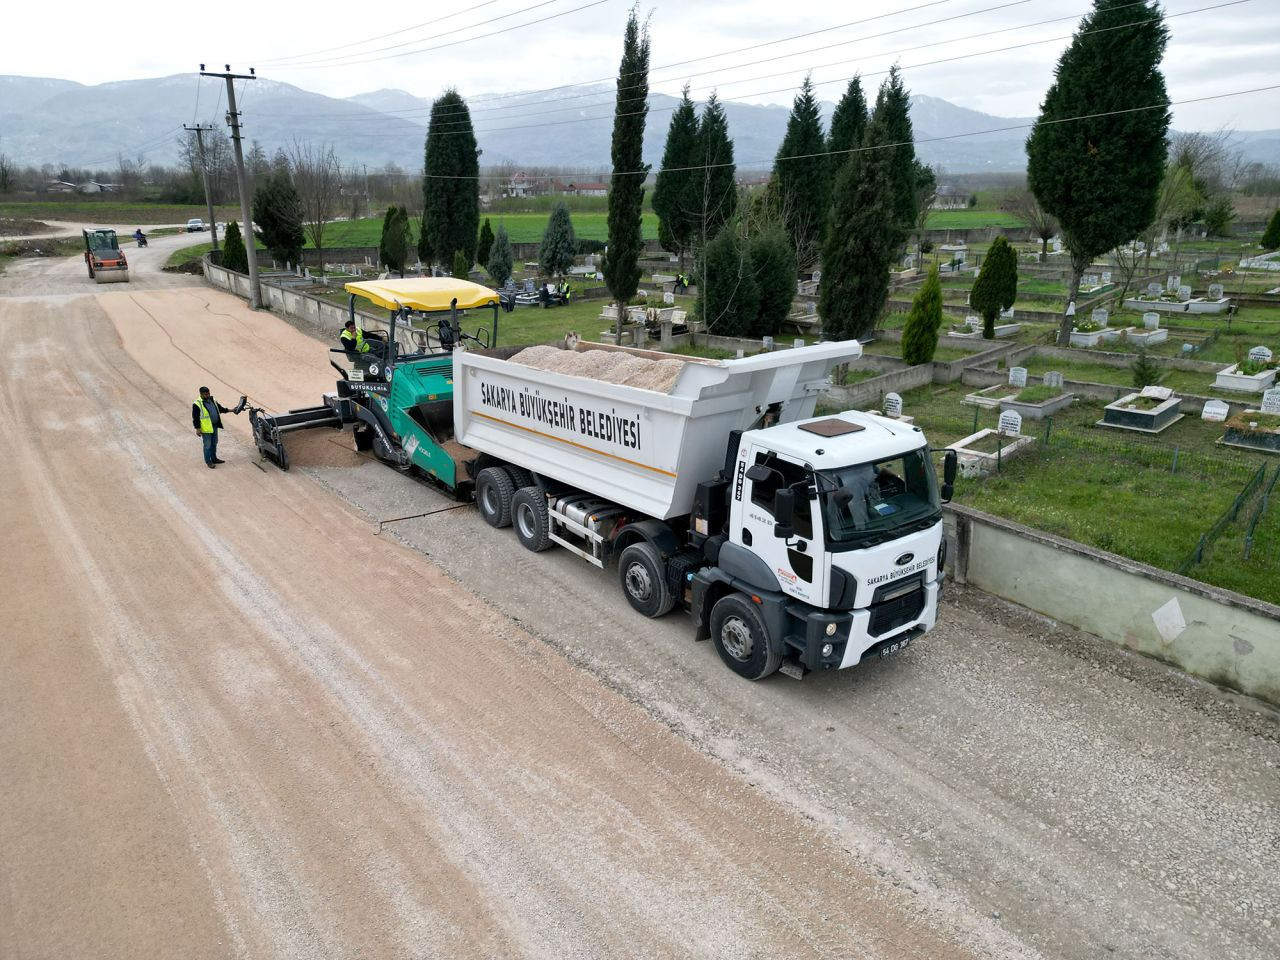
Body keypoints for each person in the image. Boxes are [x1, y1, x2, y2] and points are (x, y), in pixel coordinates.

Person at [193, 386, 231, 469]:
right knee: (207, 445)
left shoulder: (212, 400)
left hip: (214, 426)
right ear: (201, 394)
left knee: (214, 443)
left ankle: (214, 458)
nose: (207, 395)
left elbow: (220, 409)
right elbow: (195, 417)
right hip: (206, 428)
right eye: (205, 394)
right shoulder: (197, 404)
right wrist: (198, 429)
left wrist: (231, 410)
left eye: (208, 393)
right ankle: (208, 461)